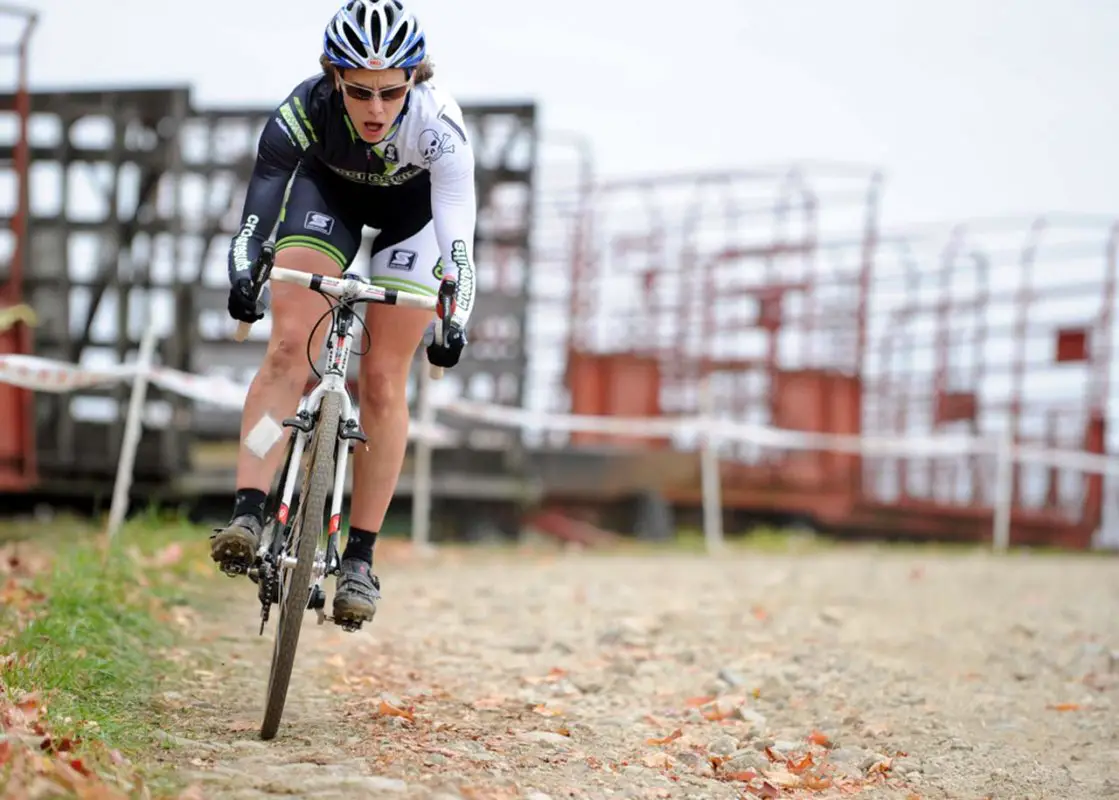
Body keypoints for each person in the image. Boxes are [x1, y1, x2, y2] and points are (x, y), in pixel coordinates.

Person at [210, 0, 477, 629]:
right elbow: (257, 216)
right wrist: (245, 270)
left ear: (416, 77)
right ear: (334, 77)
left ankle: (360, 558)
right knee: (286, 349)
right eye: (359, 92)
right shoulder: (304, 110)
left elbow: (458, 243)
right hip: (326, 197)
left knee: (384, 379)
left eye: (391, 91)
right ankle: (250, 506)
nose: (376, 109)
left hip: (414, 221)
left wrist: (455, 311)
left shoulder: (439, 127)